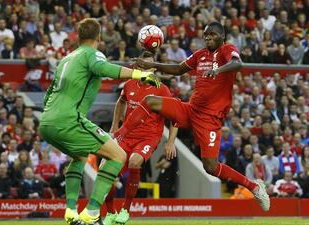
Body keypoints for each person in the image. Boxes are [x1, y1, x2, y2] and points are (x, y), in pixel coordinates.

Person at [115, 21, 270, 211]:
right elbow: (179, 69)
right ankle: (119, 135)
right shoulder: (200, 54)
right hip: (191, 110)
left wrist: (218, 70)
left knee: (211, 167)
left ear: (222, 37)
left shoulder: (226, 50)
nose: (207, 38)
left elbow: (238, 63)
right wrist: (151, 64)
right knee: (150, 100)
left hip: (209, 119)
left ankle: (254, 186)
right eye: (205, 35)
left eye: (212, 34)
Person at [39, 18, 159, 225]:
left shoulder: (66, 59)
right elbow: (103, 68)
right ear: (99, 37)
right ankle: (93, 211)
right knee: (118, 155)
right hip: (69, 120)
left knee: (79, 157)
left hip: (47, 122)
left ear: (78, 36)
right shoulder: (92, 54)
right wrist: (140, 74)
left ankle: (70, 211)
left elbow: (48, 94)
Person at [103, 51, 178, 225]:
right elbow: (120, 102)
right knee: (107, 170)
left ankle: (126, 210)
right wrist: (115, 127)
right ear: (138, 68)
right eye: (145, 66)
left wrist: (171, 141)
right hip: (126, 135)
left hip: (148, 137)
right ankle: (110, 212)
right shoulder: (129, 85)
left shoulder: (162, 89)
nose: (149, 70)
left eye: (151, 66)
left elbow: (176, 117)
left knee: (135, 161)